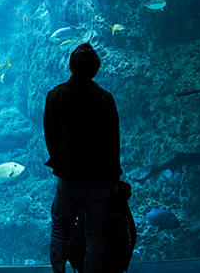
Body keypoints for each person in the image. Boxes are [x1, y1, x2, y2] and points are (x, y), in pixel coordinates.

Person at [44, 42, 121, 273]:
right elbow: (112, 141)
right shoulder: (105, 98)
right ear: (95, 69)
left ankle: (59, 271)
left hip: (68, 175)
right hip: (99, 179)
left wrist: (57, 162)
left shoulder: (56, 95)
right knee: (95, 233)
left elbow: (50, 134)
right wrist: (115, 175)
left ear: (70, 66)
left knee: (60, 228)